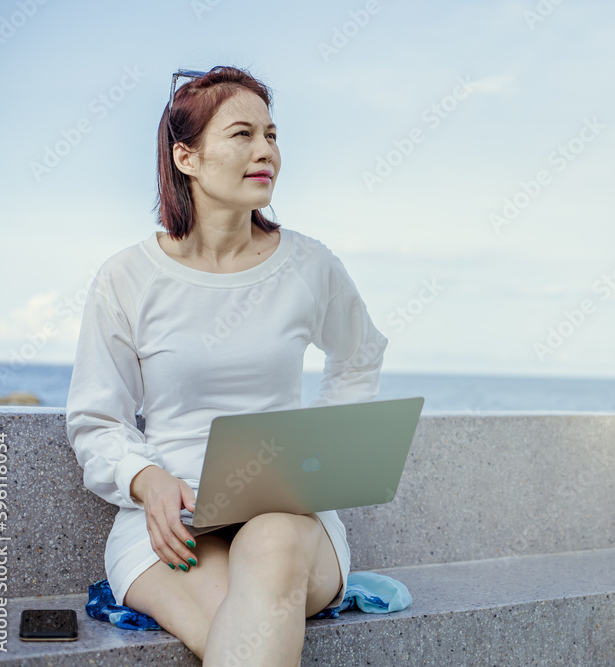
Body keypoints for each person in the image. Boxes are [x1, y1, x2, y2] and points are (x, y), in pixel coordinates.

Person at [65, 65, 389, 665]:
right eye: (243, 134)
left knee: (269, 552)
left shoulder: (310, 266)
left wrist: (325, 451)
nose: (266, 150)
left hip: (291, 516)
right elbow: (96, 416)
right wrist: (145, 478)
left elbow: (359, 356)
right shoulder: (126, 277)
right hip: (169, 520)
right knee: (248, 633)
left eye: (272, 134)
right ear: (186, 157)